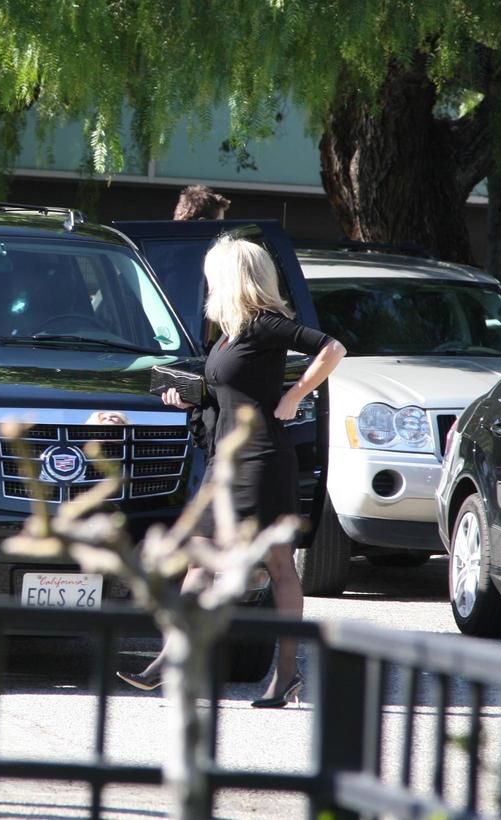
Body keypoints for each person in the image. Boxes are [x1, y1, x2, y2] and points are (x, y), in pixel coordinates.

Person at [118, 234, 345, 706]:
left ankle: (284, 676)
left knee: (279, 565)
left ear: (233, 277)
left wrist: (294, 396)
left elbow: (332, 349)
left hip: (261, 460)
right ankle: (172, 659)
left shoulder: (266, 324)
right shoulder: (229, 332)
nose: (207, 283)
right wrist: (187, 395)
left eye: (213, 274)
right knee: (199, 557)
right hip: (227, 461)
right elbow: (230, 392)